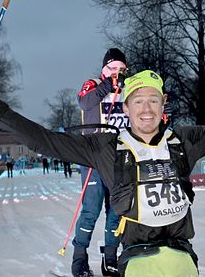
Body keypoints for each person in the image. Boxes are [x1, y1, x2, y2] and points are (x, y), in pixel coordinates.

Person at [0, 36, 205, 276]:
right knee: (92, 211)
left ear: (163, 106)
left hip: (183, 259)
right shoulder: (106, 147)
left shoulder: (184, 140)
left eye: (153, 101)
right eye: (138, 101)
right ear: (127, 107)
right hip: (138, 261)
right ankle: (83, 257)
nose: (146, 108)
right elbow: (44, 140)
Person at [70, 48, 128, 277]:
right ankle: (79, 260)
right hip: (93, 157)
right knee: (91, 211)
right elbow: (84, 103)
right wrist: (108, 86)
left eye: (121, 69)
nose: (117, 73)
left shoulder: (129, 88)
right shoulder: (93, 83)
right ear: (104, 69)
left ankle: (110, 259)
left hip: (118, 158)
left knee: (116, 212)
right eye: (112, 68)